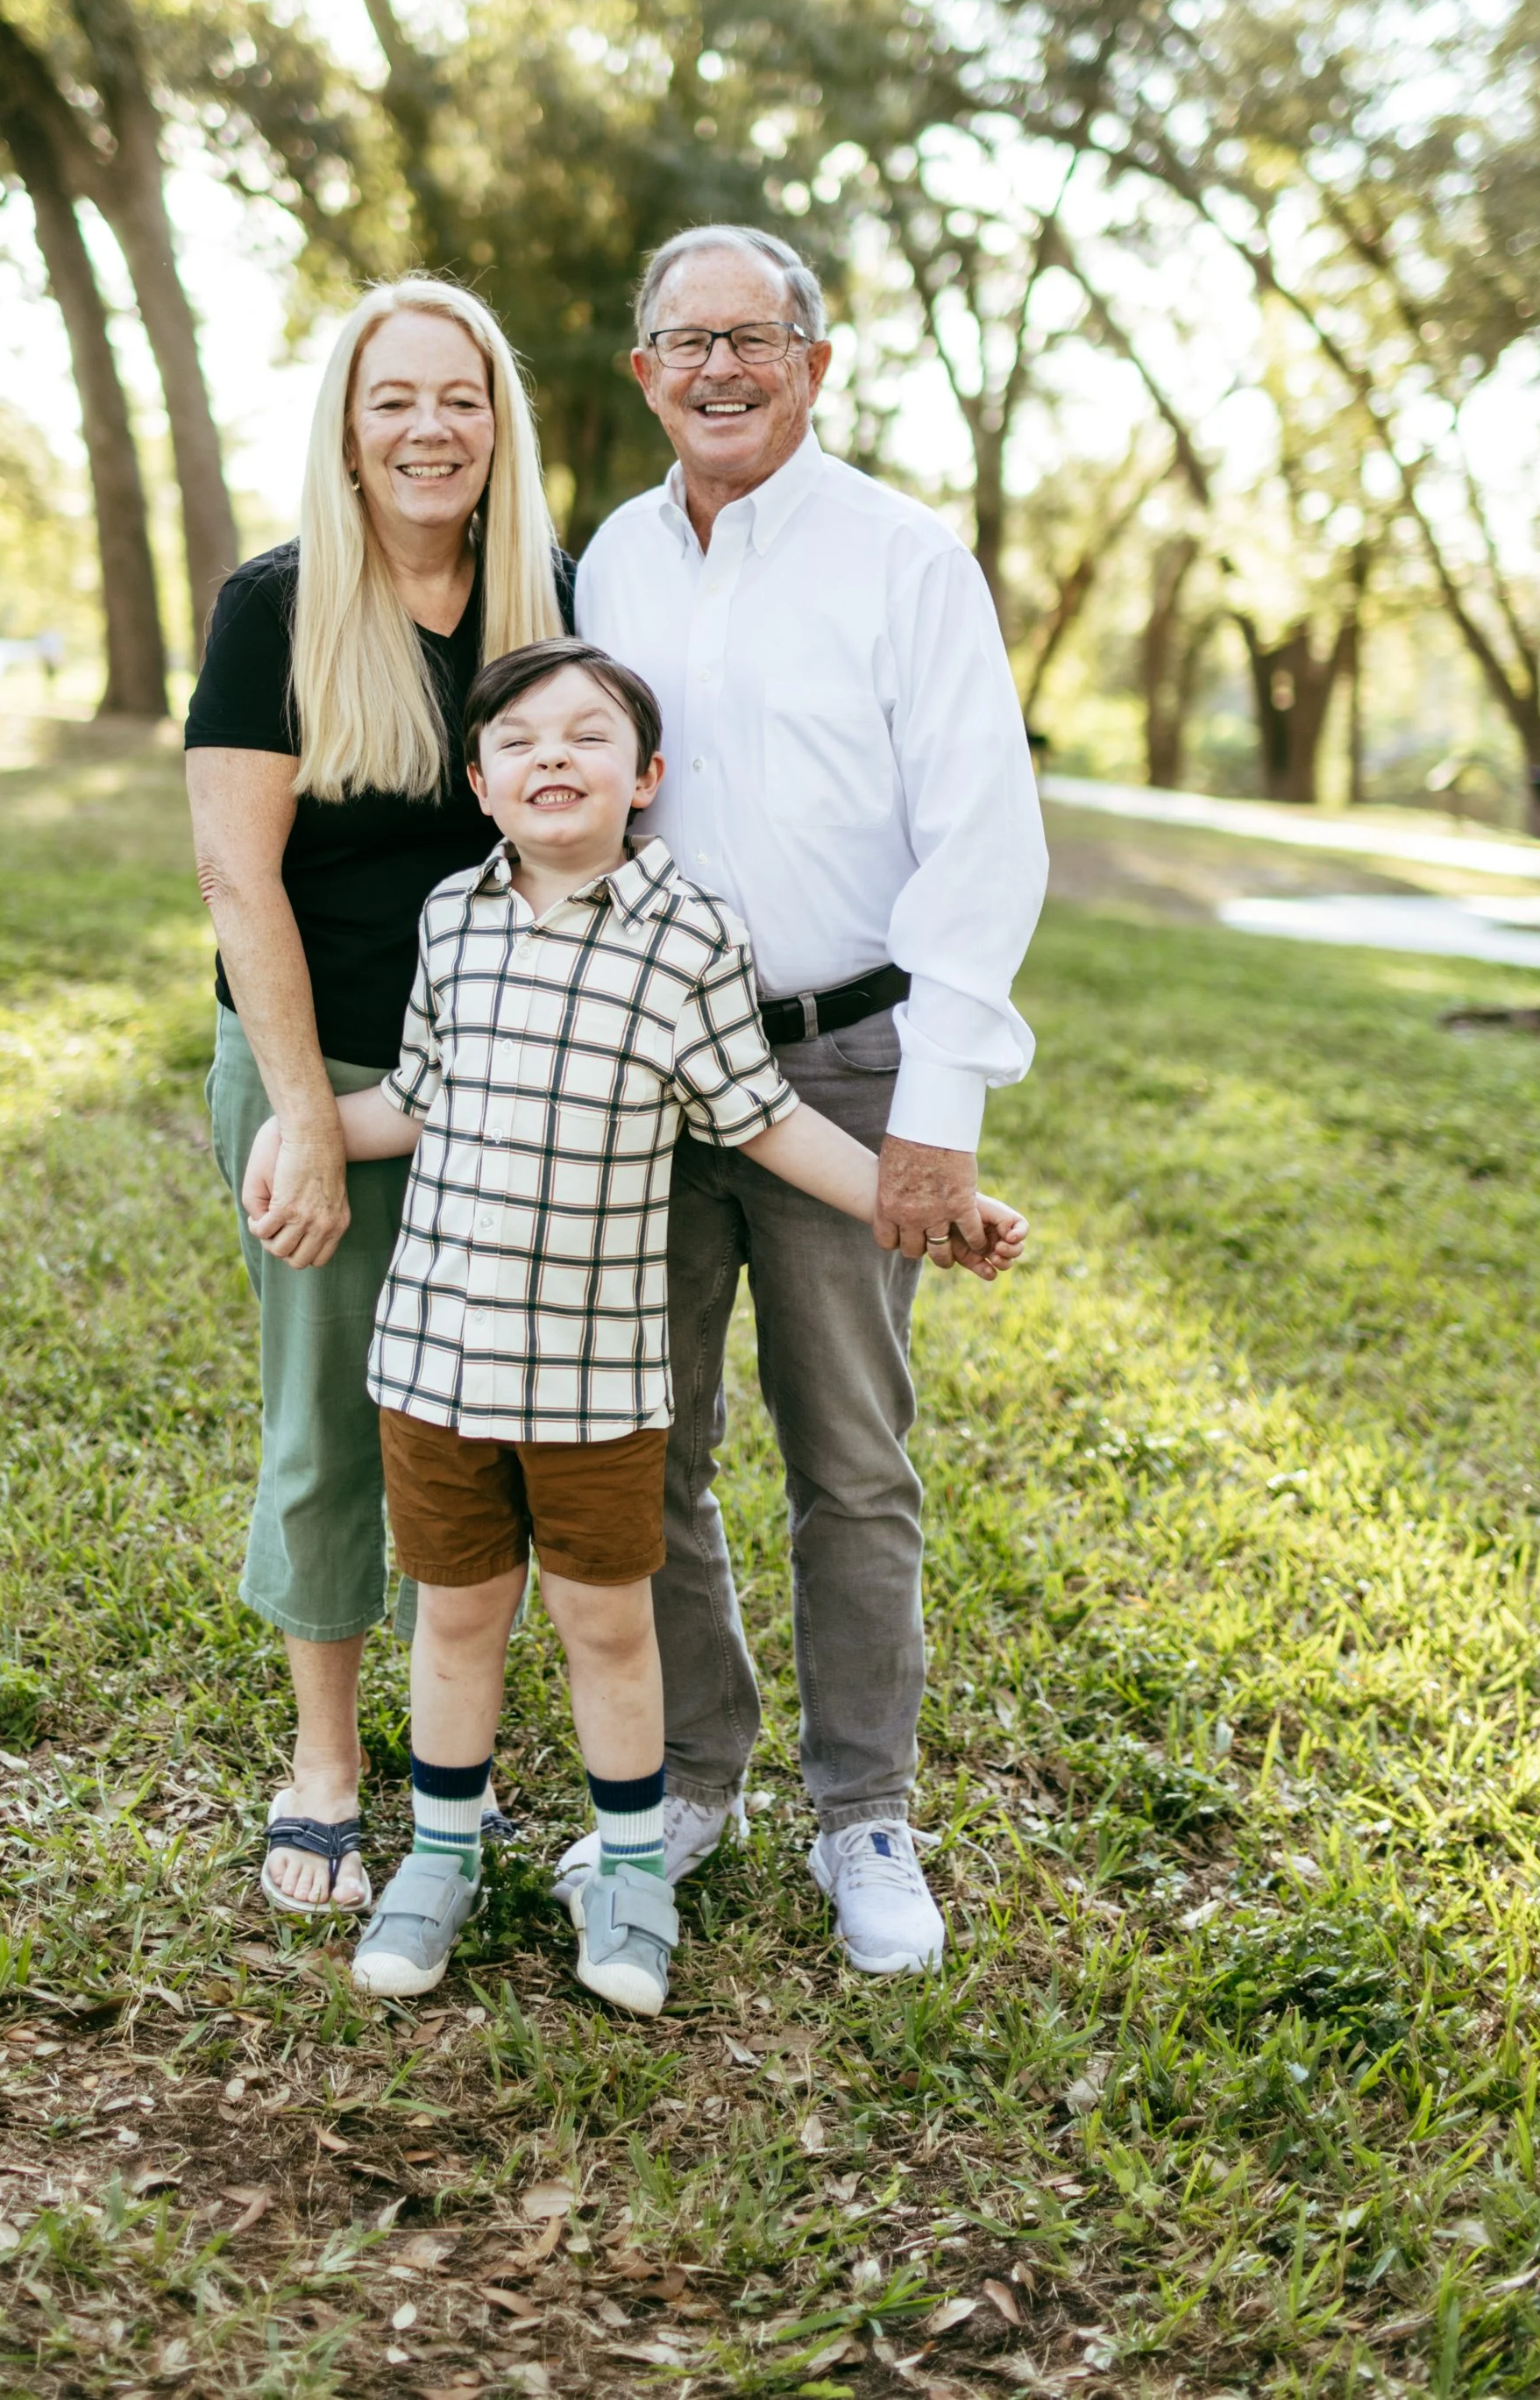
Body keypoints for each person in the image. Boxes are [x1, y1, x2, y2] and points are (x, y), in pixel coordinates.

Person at [311, 641, 1024, 2016]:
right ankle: (437, 1857)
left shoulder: (689, 934)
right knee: (454, 1623)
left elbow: (762, 1118)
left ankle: (635, 1871)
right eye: (517, 740)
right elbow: (412, 1098)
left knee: (607, 1626)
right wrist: (298, 1132)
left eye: (588, 737)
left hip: (594, 1376)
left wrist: (931, 1200)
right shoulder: (449, 919)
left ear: (646, 779)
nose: (552, 759)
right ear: (478, 779)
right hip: (438, 1363)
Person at [573, 224, 1048, 1975]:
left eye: (752, 338)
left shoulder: (903, 562)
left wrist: (937, 1109)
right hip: (646, 1061)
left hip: (846, 1059)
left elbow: (981, 840)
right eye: (682, 341)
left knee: (849, 1454)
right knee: (655, 1437)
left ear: (813, 362)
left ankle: (864, 1815)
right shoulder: (603, 559)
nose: (716, 368)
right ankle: (687, 1780)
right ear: (643, 372)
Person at [184, 280, 569, 1917]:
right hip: (322, 1070)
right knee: (334, 1419)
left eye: (460, 398)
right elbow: (233, 874)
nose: (430, 428)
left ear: (500, 425)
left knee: (487, 1430)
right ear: (348, 425)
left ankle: (461, 1758)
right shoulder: (275, 609)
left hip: (506, 1084)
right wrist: (302, 1118)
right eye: (394, 398)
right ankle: (327, 1767)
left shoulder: (547, 603)